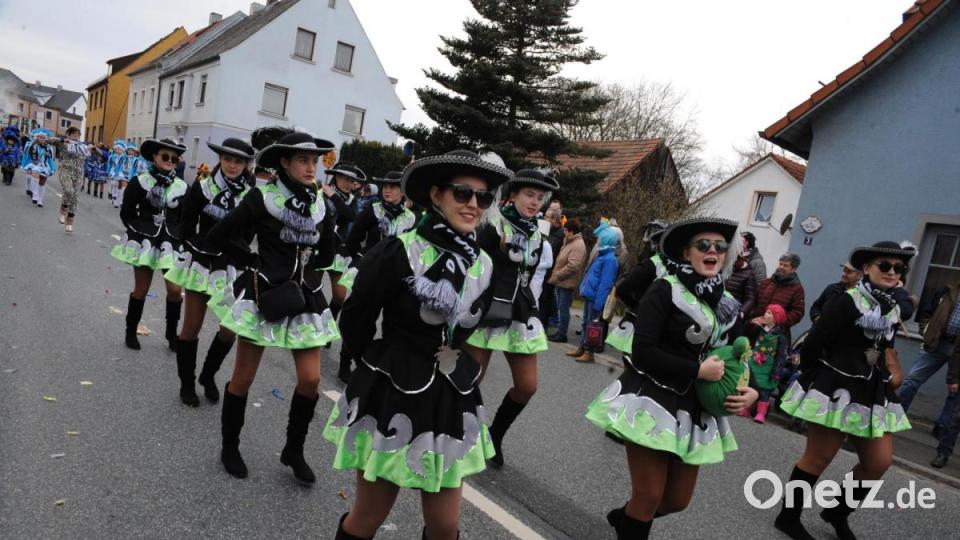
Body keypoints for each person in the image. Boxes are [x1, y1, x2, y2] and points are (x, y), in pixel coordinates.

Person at [324, 150, 511, 540]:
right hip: (392, 392)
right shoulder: (400, 249)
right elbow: (357, 314)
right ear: (437, 195)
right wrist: (372, 368)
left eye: (483, 197)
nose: (474, 204)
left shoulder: (485, 264)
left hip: (448, 398)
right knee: (368, 517)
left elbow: (469, 329)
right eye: (463, 194)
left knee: (445, 528)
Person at [585, 217, 757, 539]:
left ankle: (625, 518)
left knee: (676, 501)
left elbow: (740, 354)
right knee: (648, 496)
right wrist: (696, 370)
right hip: (652, 397)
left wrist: (753, 392)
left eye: (720, 247)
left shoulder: (728, 304)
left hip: (695, 408)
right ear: (686, 252)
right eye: (703, 245)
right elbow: (644, 351)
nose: (712, 251)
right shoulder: (665, 289)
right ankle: (634, 520)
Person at [205, 131, 340, 483]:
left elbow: (326, 255)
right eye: (303, 161)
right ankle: (229, 446)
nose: (312, 168)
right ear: (284, 162)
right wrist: (250, 260)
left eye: (315, 161)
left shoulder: (323, 205)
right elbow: (220, 235)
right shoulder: (261, 198)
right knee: (243, 379)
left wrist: (316, 253)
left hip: (305, 295)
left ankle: (293, 450)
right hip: (264, 293)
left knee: (311, 380)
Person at [776, 241, 915, 540]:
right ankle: (787, 518)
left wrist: (891, 370)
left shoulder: (890, 306)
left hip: (872, 388)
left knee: (879, 462)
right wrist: (815, 380)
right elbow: (815, 342)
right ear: (867, 268)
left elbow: (886, 343)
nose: (892, 272)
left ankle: (837, 511)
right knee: (818, 457)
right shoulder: (848, 301)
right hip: (835, 386)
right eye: (885, 266)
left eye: (898, 268)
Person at [461, 169, 557, 469]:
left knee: (527, 386)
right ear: (512, 194)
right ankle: (466, 434)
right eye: (529, 195)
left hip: (520, 313)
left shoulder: (540, 236)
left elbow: (537, 278)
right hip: (487, 308)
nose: (534, 202)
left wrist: (535, 309)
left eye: (539, 198)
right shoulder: (491, 226)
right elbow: (471, 264)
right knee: (470, 381)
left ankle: (495, 435)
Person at [163, 138, 256, 407]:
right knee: (191, 327)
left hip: (233, 265)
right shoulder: (203, 187)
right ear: (220, 159)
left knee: (229, 330)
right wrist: (193, 249)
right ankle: (187, 382)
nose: (232, 165)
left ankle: (207, 374)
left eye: (238, 161)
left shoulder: (250, 196)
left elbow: (249, 234)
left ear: (245, 165)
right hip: (202, 261)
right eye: (227, 159)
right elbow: (186, 224)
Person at [337, 170, 418, 383]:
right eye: (385, 186)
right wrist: (360, 261)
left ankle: (378, 366)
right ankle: (346, 359)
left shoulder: (411, 218)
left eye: (393, 186)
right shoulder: (372, 211)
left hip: (397, 280)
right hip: (369, 273)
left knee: (393, 324)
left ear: (403, 191)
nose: (388, 190)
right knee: (362, 320)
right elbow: (353, 239)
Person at [110, 139, 188, 351]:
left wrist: (179, 236)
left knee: (174, 290)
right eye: (165, 156)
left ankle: (172, 335)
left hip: (171, 242)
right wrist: (139, 229)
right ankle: (130, 331)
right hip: (145, 241)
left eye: (174, 158)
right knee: (141, 289)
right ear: (154, 157)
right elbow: (126, 212)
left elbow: (185, 217)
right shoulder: (140, 181)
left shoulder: (182, 186)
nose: (170, 161)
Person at [900, 278, 960, 468]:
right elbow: (927, 310)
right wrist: (926, 330)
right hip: (937, 344)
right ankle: (896, 416)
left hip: (958, 350)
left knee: (954, 393)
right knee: (912, 380)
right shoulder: (948, 290)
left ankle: (941, 428)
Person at [604, 220, 668, 357]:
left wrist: (636, 304)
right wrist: (636, 304)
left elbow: (624, 288)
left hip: (655, 322)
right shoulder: (654, 263)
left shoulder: (657, 264)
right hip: (649, 320)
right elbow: (624, 287)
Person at [567, 227, 619, 363]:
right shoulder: (602, 255)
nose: (598, 240)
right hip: (590, 295)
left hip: (596, 298)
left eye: (600, 238)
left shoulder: (610, 259)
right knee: (585, 323)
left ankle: (589, 351)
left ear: (606, 240)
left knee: (592, 325)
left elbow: (605, 283)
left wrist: (599, 303)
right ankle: (582, 347)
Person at [322, 162, 366, 320]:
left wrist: (333, 196)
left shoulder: (351, 199)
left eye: (351, 181)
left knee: (340, 296)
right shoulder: (321, 193)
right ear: (337, 177)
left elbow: (351, 215)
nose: (349, 184)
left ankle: (328, 325)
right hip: (320, 247)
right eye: (346, 179)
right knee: (313, 292)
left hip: (339, 251)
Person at [742, 304, 789, 423]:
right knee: (751, 386)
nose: (764, 314)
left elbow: (781, 356)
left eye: (769, 313)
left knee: (764, 391)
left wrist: (777, 370)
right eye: (766, 312)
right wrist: (752, 324)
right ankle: (746, 408)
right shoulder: (759, 329)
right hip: (754, 363)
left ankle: (761, 413)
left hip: (768, 368)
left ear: (775, 318)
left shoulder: (781, 337)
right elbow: (747, 336)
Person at [546, 219, 585, 343]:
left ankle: (562, 334)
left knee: (563, 309)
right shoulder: (569, 241)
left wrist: (557, 276)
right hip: (562, 281)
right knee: (560, 307)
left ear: (571, 231)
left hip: (567, 282)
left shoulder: (578, 244)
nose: (564, 233)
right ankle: (560, 331)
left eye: (565, 231)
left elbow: (573, 266)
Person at [752, 252, 805, 340]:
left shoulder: (797, 289)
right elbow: (754, 300)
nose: (781, 267)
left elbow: (798, 313)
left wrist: (776, 322)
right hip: (755, 328)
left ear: (794, 269)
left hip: (775, 335)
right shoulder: (767, 282)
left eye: (785, 265)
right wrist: (752, 318)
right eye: (780, 264)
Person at [56, 126, 88, 233]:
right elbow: (48, 141)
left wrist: (95, 149)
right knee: (68, 191)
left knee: (75, 197)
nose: (77, 136)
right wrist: (62, 140)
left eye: (78, 134)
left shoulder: (83, 146)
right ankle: (63, 209)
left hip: (78, 174)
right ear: (69, 134)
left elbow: (102, 156)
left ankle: (69, 221)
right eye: (74, 133)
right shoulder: (65, 143)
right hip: (65, 170)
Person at [538, 205, 565, 328]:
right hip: (541, 271)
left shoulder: (559, 234)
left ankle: (542, 325)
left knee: (545, 300)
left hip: (549, 272)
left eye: (547, 217)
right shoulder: (546, 229)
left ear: (555, 220)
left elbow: (550, 250)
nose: (545, 219)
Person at [21, 128, 56, 207]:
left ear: (46, 138)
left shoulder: (49, 148)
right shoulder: (32, 146)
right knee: (35, 176)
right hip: (35, 165)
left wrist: (53, 168)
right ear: (37, 137)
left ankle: (40, 200)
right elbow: (26, 155)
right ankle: (35, 196)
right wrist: (23, 164)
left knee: (42, 183)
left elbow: (50, 159)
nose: (42, 139)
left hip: (45, 166)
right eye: (40, 137)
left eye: (44, 137)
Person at [725, 250, 757, 320]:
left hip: (735, 313)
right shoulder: (726, 269)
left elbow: (750, 298)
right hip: (721, 310)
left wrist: (741, 312)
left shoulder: (748, 274)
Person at [106, 140, 126, 208]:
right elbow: (109, 165)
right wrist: (108, 172)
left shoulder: (124, 157)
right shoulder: (112, 157)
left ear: (122, 150)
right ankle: (112, 195)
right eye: (117, 149)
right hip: (113, 172)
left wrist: (124, 173)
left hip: (121, 173)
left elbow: (125, 166)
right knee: (113, 184)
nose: (118, 150)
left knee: (119, 187)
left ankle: (118, 201)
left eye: (120, 149)